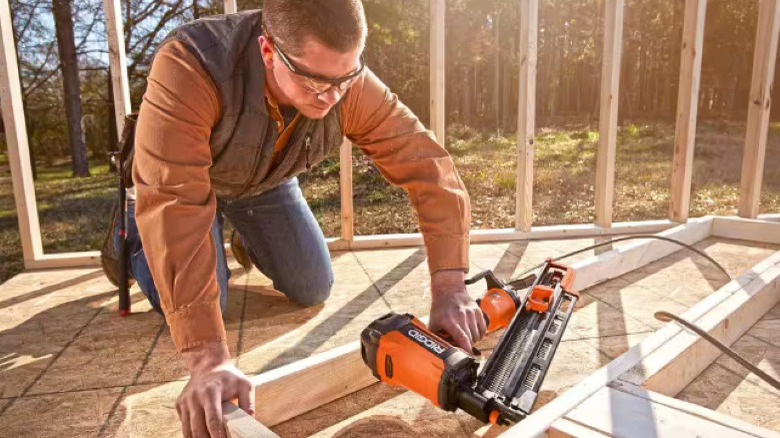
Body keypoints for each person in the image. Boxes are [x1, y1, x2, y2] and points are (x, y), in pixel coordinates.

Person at [129, 1, 485, 436]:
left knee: (313, 284)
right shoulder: (193, 65)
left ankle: (244, 235)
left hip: (263, 183)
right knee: (207, 303)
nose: (333, 95)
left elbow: (428, 166)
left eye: (346, 77)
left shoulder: (342, 80)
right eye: (315, 81)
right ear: (268, 51)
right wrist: (207, 357)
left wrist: (449, 284)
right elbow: (174, 205)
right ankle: (128, 237)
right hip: (183, 180)